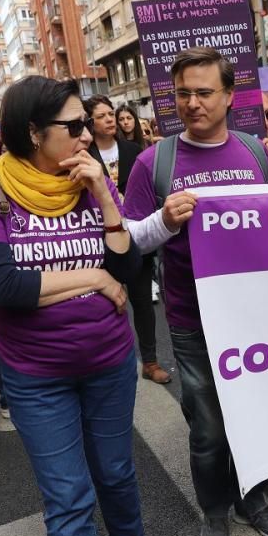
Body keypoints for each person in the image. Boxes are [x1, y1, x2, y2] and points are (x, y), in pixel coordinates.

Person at [0, 75, 154, 536]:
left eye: (88, 126)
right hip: (36, 374)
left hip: (110, 359)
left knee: (116, 471)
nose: (87, 137)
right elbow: (3, 287)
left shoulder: (91, 181)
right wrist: (90, 276)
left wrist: (103, 198)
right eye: (73, 128)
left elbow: (128, 272)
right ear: (32, 132)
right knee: (67, 496)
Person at [123, 47, 268, 536]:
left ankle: (253, 498)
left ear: (229, 96)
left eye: (203, 92)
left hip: (255, 319)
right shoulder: (154, 162)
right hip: (191, 320)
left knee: (255, 415)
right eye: (182, 94)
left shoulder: (255, 153)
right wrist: (165, 222)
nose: (192, 103)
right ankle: (215, 508)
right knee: (209, 427)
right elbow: (128, 241)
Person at [85, 95, 171, 386]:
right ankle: (105, 364)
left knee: (143, 302)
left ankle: (150, 361)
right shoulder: (84, 154)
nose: (110, 120)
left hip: (135, 235)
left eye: (112, 114)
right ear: (89, 122)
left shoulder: (133, 150)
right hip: (100, 240)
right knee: (106, 302)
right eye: (103, 116)